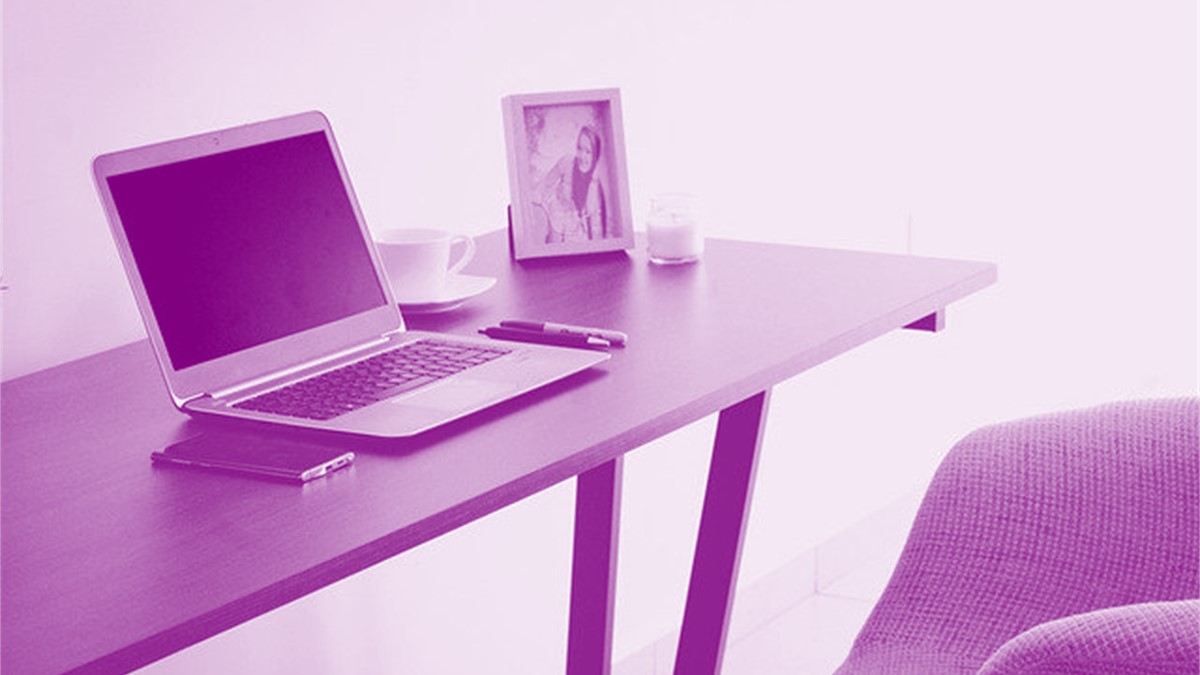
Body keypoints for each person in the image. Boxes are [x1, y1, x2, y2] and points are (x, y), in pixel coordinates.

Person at [533, 125, 607, 243]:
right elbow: (546, 183)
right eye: (579, 148)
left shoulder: (595, 184)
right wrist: (537, 200)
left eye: (588, 152)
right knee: (553, 251)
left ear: (596, 155)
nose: (582, 156)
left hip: (577, 227)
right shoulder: (567, 162)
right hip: (557, 215)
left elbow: (595, 224)